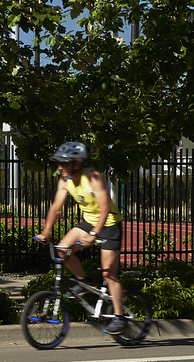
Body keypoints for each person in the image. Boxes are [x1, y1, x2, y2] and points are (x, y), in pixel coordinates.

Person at [34, 141, 127, 333]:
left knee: (109, 273)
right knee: (61, 250)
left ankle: (119, 317)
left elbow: (105, 209)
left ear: (76, 163)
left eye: (63, 163)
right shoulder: (65, 180)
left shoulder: (93, 177)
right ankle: (84, 281)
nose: (59, 167)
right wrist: (46, 232)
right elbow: (56, 208)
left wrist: (93, 235)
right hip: (88, 222)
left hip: (108, 225)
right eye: (58, 163)